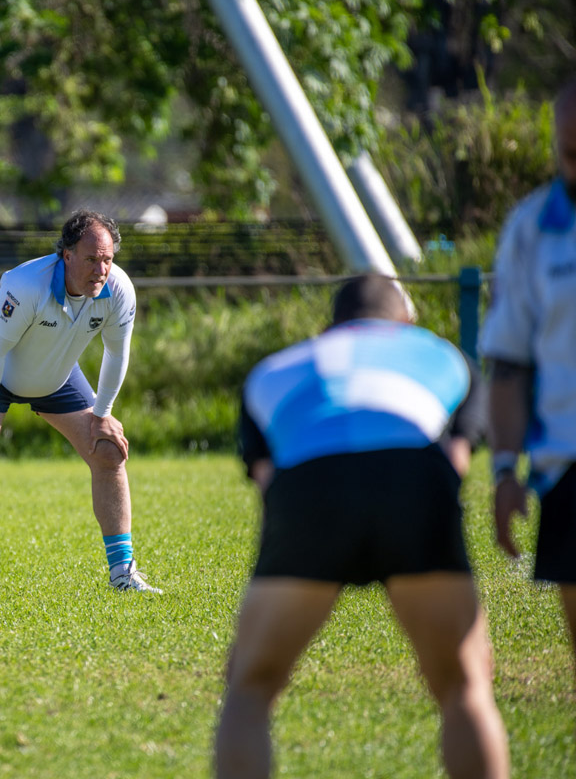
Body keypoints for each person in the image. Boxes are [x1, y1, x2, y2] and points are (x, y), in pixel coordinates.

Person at [216, 275, 508, 779]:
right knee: (465, 684)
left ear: (331, 326)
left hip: (311, 489)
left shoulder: (275, 369)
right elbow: (454, 462)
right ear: (406, 323)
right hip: (413, 480)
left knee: (249, 685)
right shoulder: (442, 355)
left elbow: (269, 480)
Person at [0, 209, 161, 598]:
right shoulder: (24, 284)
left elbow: (117, 355)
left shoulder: (119, 289)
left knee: (107, 450)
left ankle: (123, 572)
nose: (100, 269)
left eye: (107, 259)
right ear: (67, 255)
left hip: (55, 373)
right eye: (91, 259)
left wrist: (103, 416)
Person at [479, 76, 576, 691]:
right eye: (571, 153)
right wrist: (505, 471)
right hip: (569, 466)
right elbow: (508, 362)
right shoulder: (534, 226)